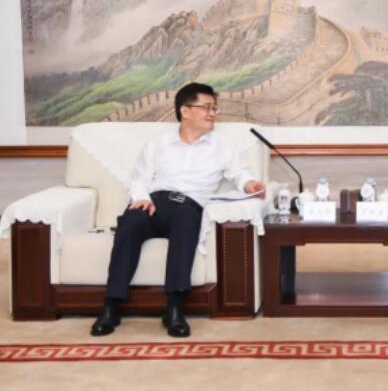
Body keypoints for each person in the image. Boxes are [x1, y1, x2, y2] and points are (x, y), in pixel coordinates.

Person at [91, 82, 266, 338]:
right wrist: (141, 199)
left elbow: (239, 173)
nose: (213, 113)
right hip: (154, 201)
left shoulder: (223, 145)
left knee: (185, 221)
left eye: (214, 108)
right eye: (207, 107)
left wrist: (250, 184)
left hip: (188, 205)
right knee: (129, 222)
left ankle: (174, 307)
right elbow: (140, 178)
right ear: (185, 111)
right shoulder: (159, 143)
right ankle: (111, 305)